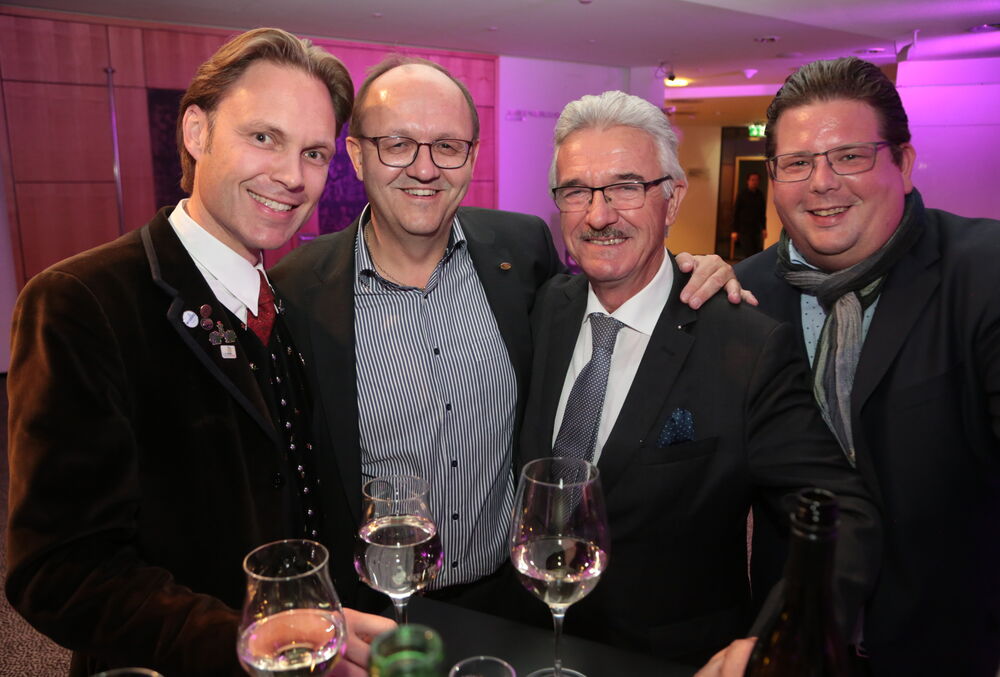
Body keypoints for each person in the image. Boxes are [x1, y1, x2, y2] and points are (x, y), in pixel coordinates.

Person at [269, 57, 749, 610]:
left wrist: (687, 270)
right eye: (397, 144)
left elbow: (609, 288)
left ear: (472, 156)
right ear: (357, 155)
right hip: (374, 603)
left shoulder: (521, 252)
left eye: (447, 146)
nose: (424, 169)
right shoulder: (298, 291)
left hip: (513, 599)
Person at [5, 28, 393, 677]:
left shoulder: (283, 299)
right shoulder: (83, 300)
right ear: (195, 131)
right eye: (263, 137)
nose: (292, 176)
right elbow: (61, 571)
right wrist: (250, 642)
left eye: (314, 153)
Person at [517, 90, 881, 666]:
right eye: (577, 191)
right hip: (531, 642)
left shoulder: (744, 345)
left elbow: (846, 515)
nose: (599, 215)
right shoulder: (540, 309)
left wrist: (777, 640)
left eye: (626, 187)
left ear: (673, 198)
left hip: (676, 662)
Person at [735, 57, 1000, 676]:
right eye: (797, 163)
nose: (821, 183)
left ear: (902, 164)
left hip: (942, 648)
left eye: (849, 156)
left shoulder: (984, 272)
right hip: (787, 646)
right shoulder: (743, 297)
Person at [731, 172, 766, 258]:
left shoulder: (760, 195)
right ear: (748, 181)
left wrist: (764, 228)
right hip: (744, 229)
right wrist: (734, 230)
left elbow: (762, 213)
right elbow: (736, 213)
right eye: (752, 180)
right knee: (748, 252)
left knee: (756, 252)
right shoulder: (742, 194)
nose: (754, 182)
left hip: (756, 229)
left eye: (756, 180)